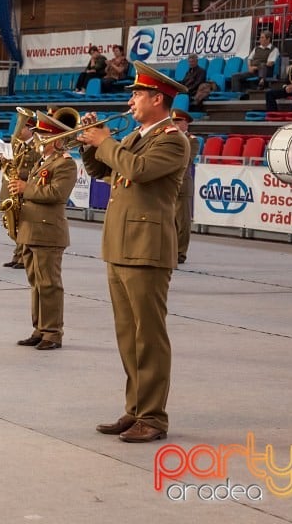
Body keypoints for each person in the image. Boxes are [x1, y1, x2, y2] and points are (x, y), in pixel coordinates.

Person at [78, 61, 189, 443]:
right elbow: (105, 172)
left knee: (149, 336)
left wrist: (104, 140)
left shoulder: (172, 139)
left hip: (147, 248)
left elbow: (137, 171)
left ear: (157, 99)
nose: (131, 100)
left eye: (137, 94)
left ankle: (154, 416)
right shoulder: (138, 136)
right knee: (128, 334)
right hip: (121, 246)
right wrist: (89, 146)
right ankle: (135, 409)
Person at [9, 111, 77, 351]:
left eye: (43, 136)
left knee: (49, 284)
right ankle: (39, 328)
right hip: (31, 230)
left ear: (56, 139)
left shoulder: (65, 163)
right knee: (36, 283)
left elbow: (57, 194)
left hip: (48, 232)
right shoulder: (42, 161)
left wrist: (25, 188)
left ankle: (53, 332)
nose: (37, 140)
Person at [0, 120, 41, 269]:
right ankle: (17, 255)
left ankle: (24, 257)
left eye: (22, 127)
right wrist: (1, 161)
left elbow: (36, 170)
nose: (18, 130)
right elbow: (4, 167)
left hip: (24, 188)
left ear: (30, 129)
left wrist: (18, 174)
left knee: (23, 225)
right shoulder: (16, 145)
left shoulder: (36, 147)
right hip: (12, 188)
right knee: (14, 225)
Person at [171, 109, 200, 265]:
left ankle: (180, 253)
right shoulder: (168, 138)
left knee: (182, 221)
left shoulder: (192, 140)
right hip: (168, 185)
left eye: (178, 121)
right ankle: (169, 250)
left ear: (186, 123)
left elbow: (186, 160)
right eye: (173, 121)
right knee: (169, 221)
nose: (174, 124)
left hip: (182, 185)